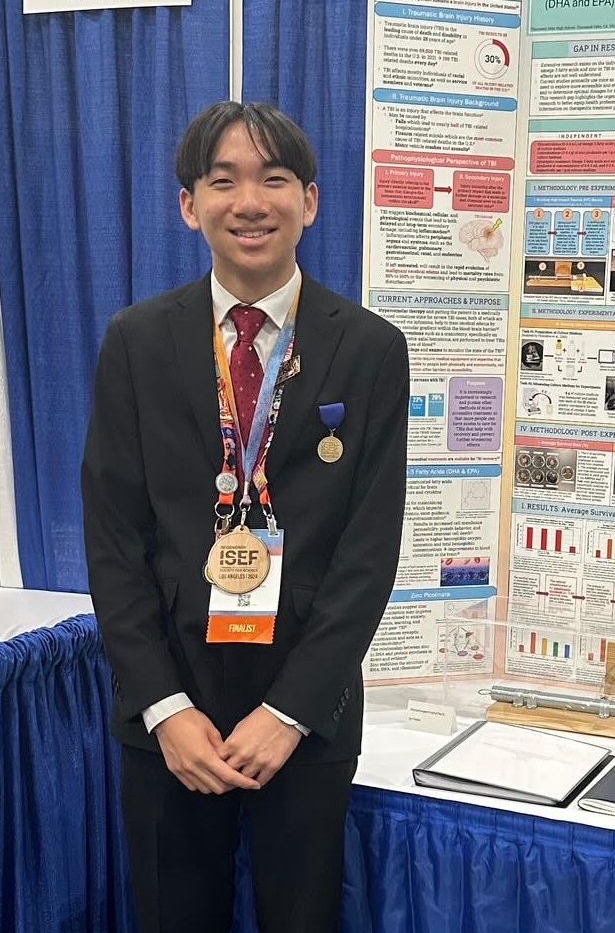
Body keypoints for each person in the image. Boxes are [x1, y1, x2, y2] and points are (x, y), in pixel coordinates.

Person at [81, 102, 409, 933]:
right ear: (189, 206)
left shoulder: (369, 348)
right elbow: (113, 540)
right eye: (221, 181)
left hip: (305, 709)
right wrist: (163, 707)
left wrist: (292, 711)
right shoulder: (137, 341)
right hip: (170, 711)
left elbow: (368, 553)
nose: (249, 201)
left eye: (274, 179)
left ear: (312, 199)